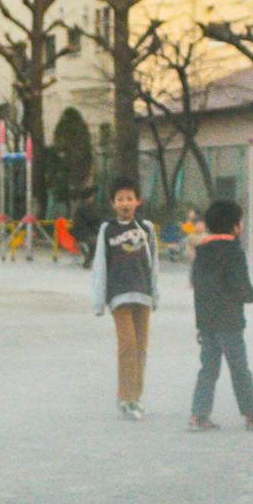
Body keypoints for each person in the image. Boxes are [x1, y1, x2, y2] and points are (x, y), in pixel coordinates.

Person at [188, 200, 253, 432]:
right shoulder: (234, 252)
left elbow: (196, 284)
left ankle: (199, 415)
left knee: (208, 369)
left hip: (206, 321)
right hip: (229, 322)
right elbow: (240, 286)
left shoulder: (201, 251)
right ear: (235, 226)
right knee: (239, 369)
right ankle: (252, 415)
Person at [91, 177, 160, 420]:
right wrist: (98, 300)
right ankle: (124, 397)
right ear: (112, 203)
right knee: (128, 345)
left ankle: (136, 397)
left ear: (138, 201)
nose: (125, 203)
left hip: (143, 294)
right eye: (120, 199)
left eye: (129, 198)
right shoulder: (107, 229)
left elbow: (154, 263)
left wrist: (155, 294)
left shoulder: (147, 228)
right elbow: (100, 263)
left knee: (141, 347)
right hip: (119, 295)